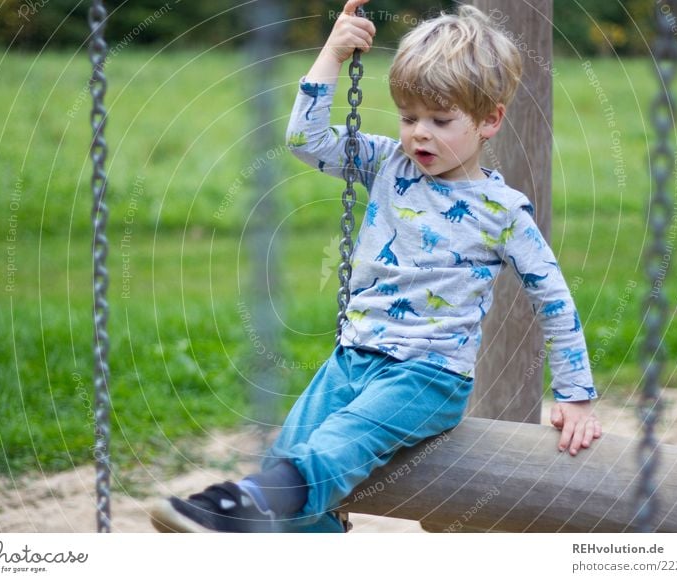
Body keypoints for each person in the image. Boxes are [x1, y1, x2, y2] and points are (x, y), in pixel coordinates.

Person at [150, 0, 602, 534]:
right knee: (293, 450)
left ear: (489, 120)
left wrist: (575, 395)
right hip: (352, 359)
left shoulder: (503, 212)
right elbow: (305, 140)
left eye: (440, 120)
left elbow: (553, 300)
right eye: (409, 117)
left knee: (344, 443)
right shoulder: (386, 162)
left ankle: (243, 504)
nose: (419, 135)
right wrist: (333, 52)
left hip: (427, 376)